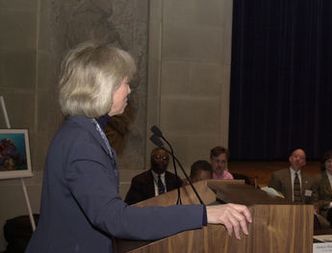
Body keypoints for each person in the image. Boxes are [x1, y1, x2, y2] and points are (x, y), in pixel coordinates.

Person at [25, 42, 252, 253]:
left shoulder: (84, 131)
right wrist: (205, 213)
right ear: (103, 87)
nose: (129, 90)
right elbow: (115, 219)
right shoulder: (82, 142)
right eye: (124, 82)